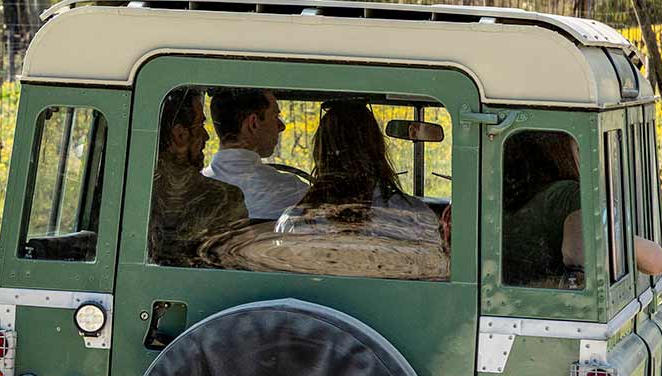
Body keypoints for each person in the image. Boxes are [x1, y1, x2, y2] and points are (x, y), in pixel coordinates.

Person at [273, 101, 447, 278]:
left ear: (321, 152)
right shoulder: (415, 217)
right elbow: (433, 275)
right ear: (377, 148)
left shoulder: (294, 221)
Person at [149, 87, 249, 266]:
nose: (207, 136)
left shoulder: (129, 193)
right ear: (180, 135)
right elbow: (235, 267)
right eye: (200, 126)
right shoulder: (224, 198)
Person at [204, 88, 307, 220]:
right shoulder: (292, 191)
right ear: (253, 124)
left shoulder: (194, 191)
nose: (282, 126)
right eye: (275, 117)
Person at [503, 132, 584, 287]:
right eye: (580, 149)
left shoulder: (508, 200)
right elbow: (579, 267)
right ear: (562, 152)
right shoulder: (569, 196)